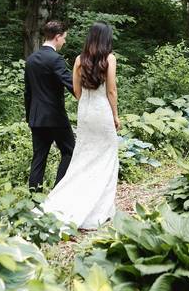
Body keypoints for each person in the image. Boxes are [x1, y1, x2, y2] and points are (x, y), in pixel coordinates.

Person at [42, 21, 120, 230]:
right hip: (102, 111)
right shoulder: (109, 59)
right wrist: (116, 115)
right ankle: (98, 211)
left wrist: (87, 101)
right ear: (106, 38)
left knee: (83, 157)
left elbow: (76, 92)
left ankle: (67, 199)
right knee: (107, 156)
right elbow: (111, 91)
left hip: (85, 111)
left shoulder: (79, 59)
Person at [24, 20, 77, 191]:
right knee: (69, 151)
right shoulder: (55, 59)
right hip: (55, 117)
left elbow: (28, 93)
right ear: (57, 36)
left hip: (36, 117)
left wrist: (29, 117)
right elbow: (72, 85)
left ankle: (34, 200)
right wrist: (88, 96)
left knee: (39, 157)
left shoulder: (31, 59)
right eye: (64, 38)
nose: (64, 42)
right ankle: (58, 193)